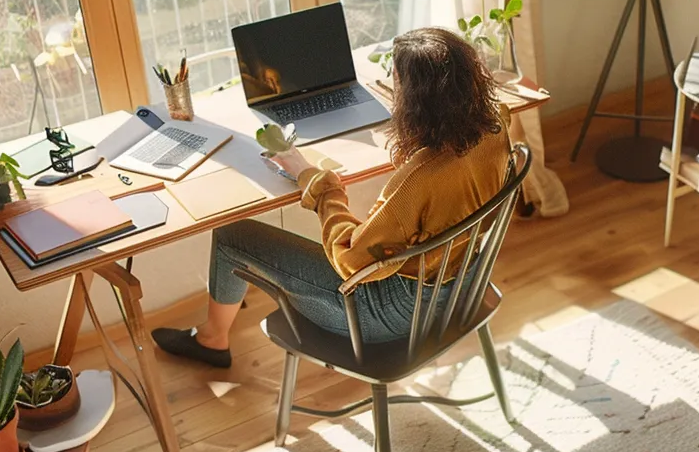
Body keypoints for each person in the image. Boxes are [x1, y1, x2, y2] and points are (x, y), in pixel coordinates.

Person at [152, 27, 512, 368]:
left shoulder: (419, 179)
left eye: (398, 86)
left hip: (388, 316)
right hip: (463, 290)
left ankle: (212, 339)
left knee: (233, 236)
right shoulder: (496, 125)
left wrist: (318, 183)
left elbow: (350, 259)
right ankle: (223, 316)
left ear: (418, 103)